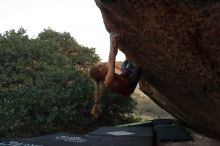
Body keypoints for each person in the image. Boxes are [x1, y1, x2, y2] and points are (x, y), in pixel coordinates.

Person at [89, 32, 142, 117]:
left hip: (123, 79)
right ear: (100, 72)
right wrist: (111, 40)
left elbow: (113, 54)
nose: (102, 64)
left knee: (126, 65)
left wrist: (115, 44)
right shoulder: (107, 80)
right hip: (129, 86)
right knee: (138, 68)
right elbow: (111, 59)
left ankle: (129, 69)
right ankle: (131, 70)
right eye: (100, 66)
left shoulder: (105, 72)